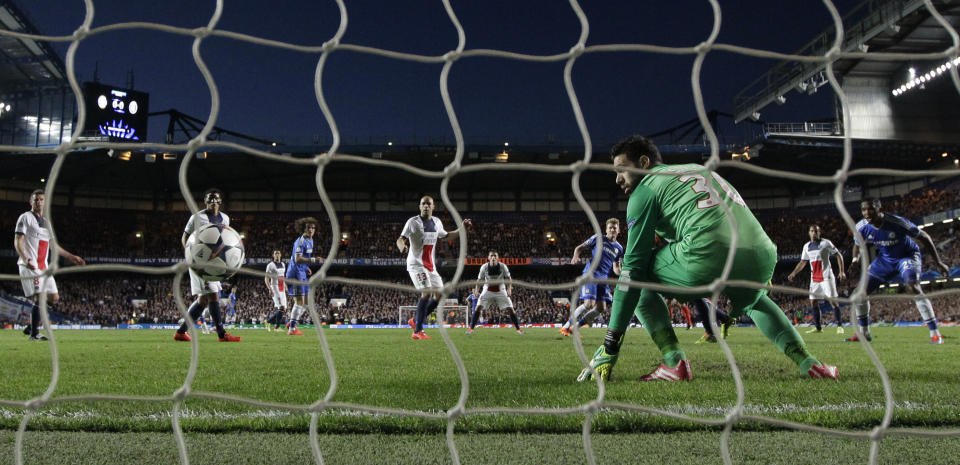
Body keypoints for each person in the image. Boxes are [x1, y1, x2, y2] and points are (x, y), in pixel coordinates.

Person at [577, 135, 837, 382]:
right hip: (762, 254)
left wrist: (610, 345)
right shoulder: (694, 169)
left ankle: (673, 362)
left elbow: (632, 269)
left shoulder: (644, 190)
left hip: (708, 254)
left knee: (638, 273)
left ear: (644, 163)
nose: (618, 180)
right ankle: (809, 363)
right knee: (756, 299)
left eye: (622, 170)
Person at [846, 198, 949, 344]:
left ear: (879, 209)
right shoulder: (861, 226)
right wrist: (855, 260)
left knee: (913, 287)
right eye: (863, 209)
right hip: (885, 261)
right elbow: (857, 244)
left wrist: (938, 262)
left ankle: (935, 333)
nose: (867, 212)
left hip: (906, 257)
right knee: (858, 294)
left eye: (870, 209)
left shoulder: (896, 222)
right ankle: (864, 333)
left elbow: (924, 236)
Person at [14, 189, 86, 341]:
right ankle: (34, 334)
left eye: (41, 200)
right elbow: (18, 240)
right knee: (40, 297)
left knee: (54, 298)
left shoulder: (47, 222)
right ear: (30, 202)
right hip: (29, 265)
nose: (39, 202)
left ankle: (31, 326)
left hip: (43, 267)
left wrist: (71, 257)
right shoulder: (25, 217)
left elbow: (53, 246)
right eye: (36, 200)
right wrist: (26, 259)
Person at [397, 195, 471, 340]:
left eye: (428, 204)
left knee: (440, 294)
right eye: (423, 204)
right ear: (419, 206)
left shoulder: (437, 222)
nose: (425, 206)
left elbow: (447, 236)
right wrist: (402, 246)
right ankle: (417, 331)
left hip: (430, 266)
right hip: (416, 264)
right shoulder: (412, 222)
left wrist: (462, 229)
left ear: (433, 207)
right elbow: (401, 239)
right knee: (427, 293)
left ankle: (415, 320)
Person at [174, 188, 241, 342]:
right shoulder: (196, 218)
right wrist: (191, 256)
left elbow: (224, 241)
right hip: (199, 263)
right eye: (210, 200)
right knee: (213, 295)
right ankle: (222, 334)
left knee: (203, 301)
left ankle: (180, 332)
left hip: (215, 263)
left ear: (220, 201)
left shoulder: (225, 218)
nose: (213, 202)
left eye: (216, 199)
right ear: (205, 202)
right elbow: (185, 238)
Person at [559, 218, 624, 337]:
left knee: (601, 307)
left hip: (603, 278)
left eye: (615, 228)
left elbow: (616, 268)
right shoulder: (598, 238)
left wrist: (623, 273)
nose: (612, 229)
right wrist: (575, 256)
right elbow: (579, 248)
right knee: (588, 303)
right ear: (606, 229)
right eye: (610, 227)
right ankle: (566, 326)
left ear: (618, 230)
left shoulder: (619, 248)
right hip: (591, 274)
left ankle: (575, 328)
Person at [787, 225, 846, 334]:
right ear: (809, 233)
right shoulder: (806, 246)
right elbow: (803, 262)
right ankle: (818, 328)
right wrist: (793, 273)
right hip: (814, 279)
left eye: (816, 231)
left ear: (820, 232)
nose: (814, 233)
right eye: (812, 231)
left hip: (826, 277)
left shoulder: (826, 243)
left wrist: (841, 271)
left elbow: (838, 255)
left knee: (833, 301)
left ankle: (839, 326)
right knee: (813, 301)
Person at [467, 250, 523, 334]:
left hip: (501, 289)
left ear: (498, 258)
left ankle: (518, 329)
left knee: (510, 309)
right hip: (487, 289)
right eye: (491, 256)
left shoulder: (503, 266)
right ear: (488, 258)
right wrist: (476, 290)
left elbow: (509, 278)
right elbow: (479, 280)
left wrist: (509, 289)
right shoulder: (484, 267)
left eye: (495, 256)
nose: (493, 257)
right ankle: (471, 329)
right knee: (478, 307)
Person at [285, 217, 321, 336]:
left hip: (302, 272)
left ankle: (291, 322)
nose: (311, 230)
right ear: (303, 229)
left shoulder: (311, 240)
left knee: (306, 303)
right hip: (295, 273)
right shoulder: (301, 241)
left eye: (313, 228)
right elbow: (297, 259)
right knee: (299, 301)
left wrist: (306, 267)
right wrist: (313, 259)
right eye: (308, 228)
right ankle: (292, 329)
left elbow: (302, 259)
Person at [265, 249, 287, 331]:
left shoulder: (283, 264)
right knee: (281, 307)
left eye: (278, 253)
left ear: (280, 255)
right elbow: (266, 278)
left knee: (283, 308)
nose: (277, 255)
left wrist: (285, 286)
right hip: (274, 286)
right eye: (275, 254)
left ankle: (273, 324)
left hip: (281, 287)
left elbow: (282, 276)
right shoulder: (270, 265)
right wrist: (269, 288)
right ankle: (272, 324)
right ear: (273, 255)